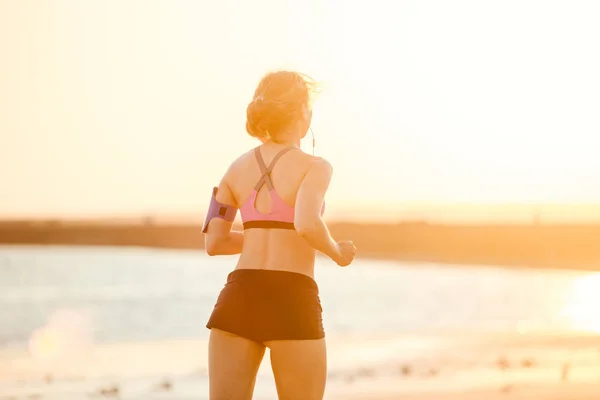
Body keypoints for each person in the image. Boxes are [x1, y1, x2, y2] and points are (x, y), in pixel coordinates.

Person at [201, 70, 357, 400]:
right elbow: (307, 225)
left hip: (239, 298)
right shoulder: (315, 166)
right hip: (291, 299)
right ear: (304, 112)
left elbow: (213, 243)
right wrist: (337, 252)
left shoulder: (233, 169)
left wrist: (260, 235)